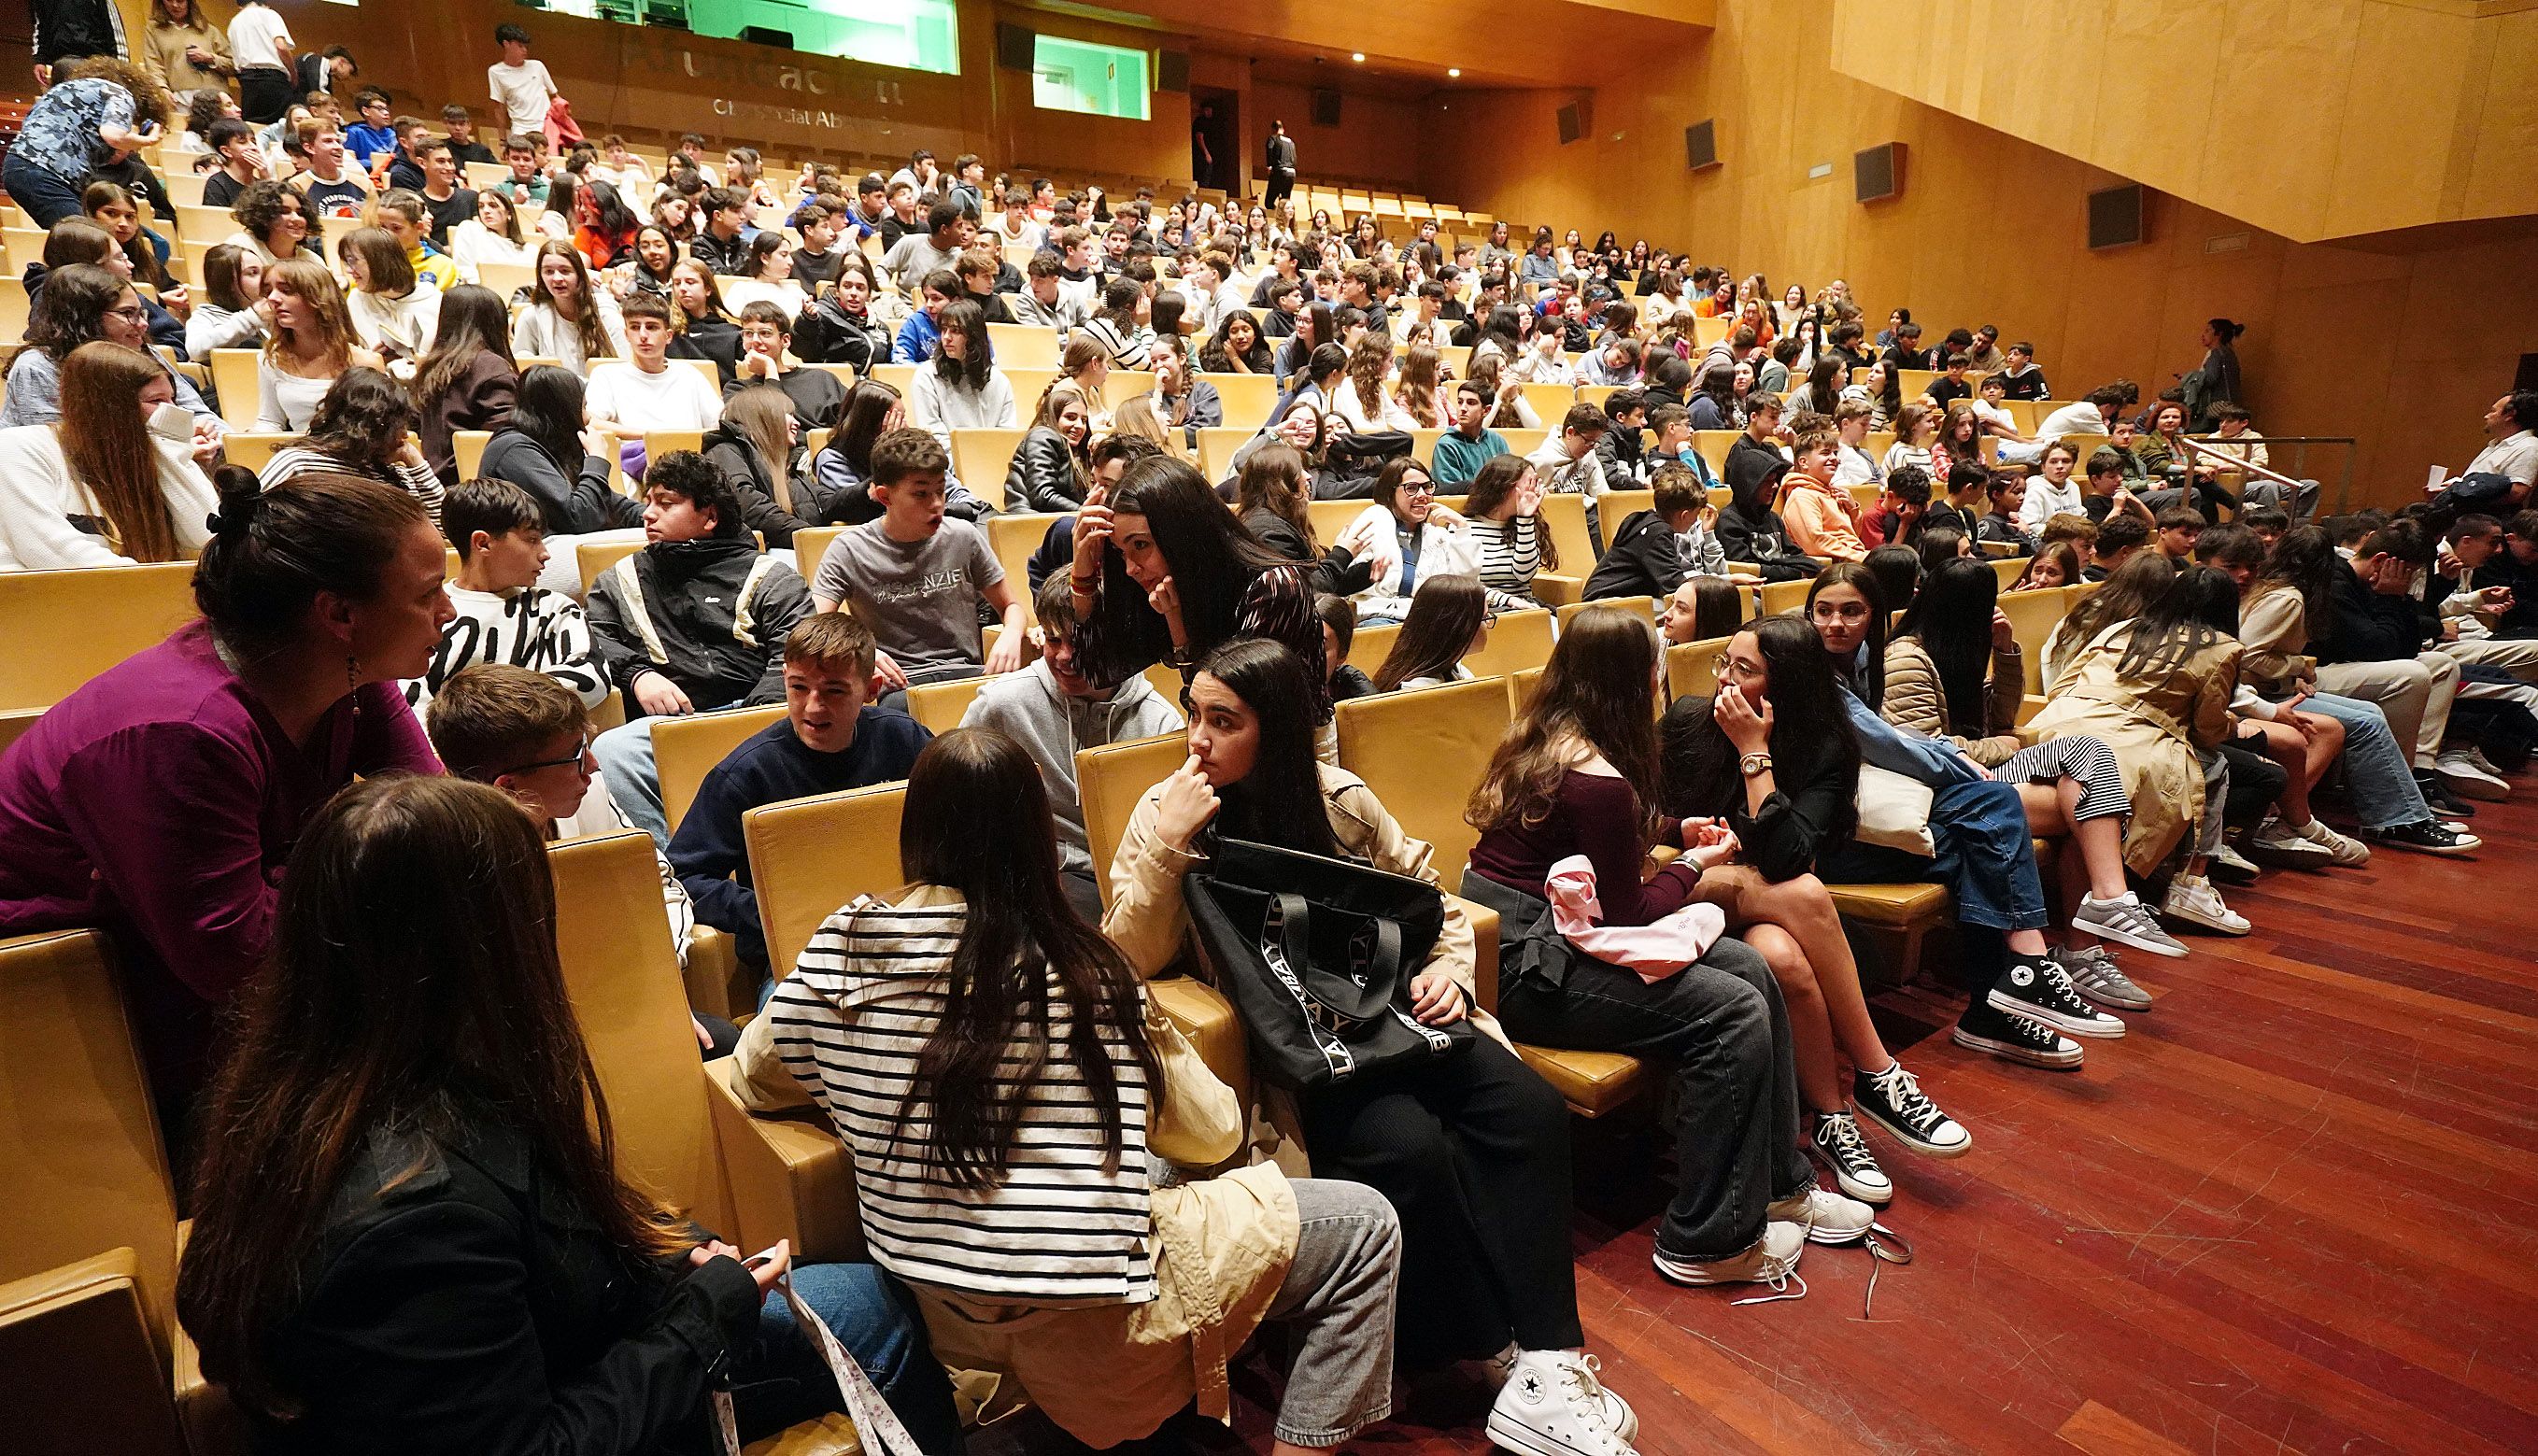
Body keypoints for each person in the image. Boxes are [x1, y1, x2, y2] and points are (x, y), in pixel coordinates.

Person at [175, 772, 962, 1452]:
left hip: (586, 1346)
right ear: (480, 948)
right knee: (882, 1318)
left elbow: (544, 1239)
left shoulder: (300, 1084)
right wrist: (704, 1313)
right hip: (599, 1397)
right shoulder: (412, 1218)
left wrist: (670, 1259)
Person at [732, 726, 1396, 1454]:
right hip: (1096, 1322)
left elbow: (754, 1078)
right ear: (1036, 834)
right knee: (1362, 1226)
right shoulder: (1084, 970)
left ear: (915, 825)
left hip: (935, 1305)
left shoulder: (841, 946)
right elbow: (1214, 1133)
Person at [1102, 638, 1641, 1451]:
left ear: (1276, 730)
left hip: (1398, 1016)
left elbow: (1433, 901)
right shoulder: (1167, 810)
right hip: (1297, 1057)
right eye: (1193, 716)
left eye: (1223, 721)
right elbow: (1126, 957)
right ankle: (1494, 1349)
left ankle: (1550, 1352)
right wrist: (1170, 845)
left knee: (1527, 1105)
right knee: (1404, 1145)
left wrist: (1451, 972)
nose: (1197, 740)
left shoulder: (1338, 800)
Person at [0, 470, 445, 1138]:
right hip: (68, 1003)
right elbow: (237, 962)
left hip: (196, 969)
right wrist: (360, 864)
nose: (452, 610)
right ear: (340, 614)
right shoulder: (182, 730)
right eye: (429, 593)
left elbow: (437, 829)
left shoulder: (351, 675)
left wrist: (319, 876)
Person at [1461, 608, 1866, 1289]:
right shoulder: (1596, 779)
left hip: (1547, 938)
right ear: (1639, 679)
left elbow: (1598, 848)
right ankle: (1707, 1240)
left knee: (1750, 966)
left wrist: (1676, 827)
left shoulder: (1551, 732)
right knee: (1730, 1012)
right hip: (1527, 966)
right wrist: (1696, 865)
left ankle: (1777, 1184)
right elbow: (1629, 910)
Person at [1659, 614, 1976, 1204]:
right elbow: (1645, 822)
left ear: (1786, 686)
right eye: (1724, 662)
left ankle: (1833, 1118)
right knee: (1805, 895)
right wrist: (1696, 828)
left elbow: (1788, 855)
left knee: (1782, 957)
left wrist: (1755, 756)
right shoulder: (1687, 724)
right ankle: (1879, 1073)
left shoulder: (1825, 748)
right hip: (1684, 887)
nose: (1725, 681)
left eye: (1744, 669)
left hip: (1765, 907)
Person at [668, 614, 930, 974]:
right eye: (799, 687)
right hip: (796, 960)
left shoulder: (906, 740)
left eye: (834, 690)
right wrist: (773, 909)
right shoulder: (746, 772)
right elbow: (683, 877)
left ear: (872, 689)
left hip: (909, 939)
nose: (813, 707)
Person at [588, 453, 813, 848]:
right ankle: (673, 869)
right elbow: (593, 636)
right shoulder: (620, 578)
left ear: (709, 517)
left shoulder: (769, 575)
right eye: (649, 501)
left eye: (666, 503)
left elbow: (796, 651)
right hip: (675, 724)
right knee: (613, 749)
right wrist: (638, 675)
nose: (648, 514)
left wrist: (749, 717)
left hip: (759, 715)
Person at [2028, 565, 2250, 928]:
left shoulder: (2123, 627)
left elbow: (2059, 686)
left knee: (2083, 802)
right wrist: (2232, 724)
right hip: (2129, 737)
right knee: (2214, 764)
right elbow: (2208, 729)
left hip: (2053, 726)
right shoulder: (2223, 648)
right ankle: (2191, 884)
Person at [959, 573, 1184, 918]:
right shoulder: (1002, 704)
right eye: (1052, 640)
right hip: (1034, 875)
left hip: (1126, 880)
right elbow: (955, 798)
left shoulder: (1161, 724)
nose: (1064, 657)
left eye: (1079, 644)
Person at [1070, 455, 1331, 750]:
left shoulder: (1274, 589)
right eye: (1120, 551)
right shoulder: (1173, 586)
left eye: (1140, 545)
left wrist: (1177, 626)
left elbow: (1228, 711)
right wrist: (1083, 575)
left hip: (1298, 758)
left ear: (1183, 536)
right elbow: (1095, 673)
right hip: (1225, 751)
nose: (1129, 568)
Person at [806, 429, 1026, 694]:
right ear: (885, 497)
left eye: (941, 491)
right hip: (896, 685)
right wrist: (861, 653)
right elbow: (816, 627)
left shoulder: (963, 536)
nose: (936, 504)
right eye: (921, 494)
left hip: (966, 676)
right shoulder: (849, 549)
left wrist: (1011, 633)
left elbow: (1011, 605)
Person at [0, 340, 217, 572]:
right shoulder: (18, 448)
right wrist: (153, 584)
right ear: (109, 408)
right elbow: (48, 551)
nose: (173, 412)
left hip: (130, 597)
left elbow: (206, 534)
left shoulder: (148, 459)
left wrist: (170, 444)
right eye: (157, 401)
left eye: (173, 400)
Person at [405, 478, 604, 714]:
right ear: (483, 543)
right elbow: (410, 698)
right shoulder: (431, 613)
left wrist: (481, 711)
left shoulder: (555, 608)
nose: (545, 554)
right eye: (531, 539)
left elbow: (591, 678)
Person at [477, 364, 644, 573]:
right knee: (648, 549)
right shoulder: (514, 450)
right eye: (582, 407)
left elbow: (612, 505)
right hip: (529, 558)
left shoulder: (552, 445)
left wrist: (659, 518)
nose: (588, 417)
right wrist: (597, 459)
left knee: (663, 536)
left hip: (560, 549)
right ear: (562, 412)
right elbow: (580, 519)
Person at [255, 367, 447, 527]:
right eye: (396, 426)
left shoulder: (395, 474)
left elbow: (444, 531)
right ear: (369, 427)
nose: (405, 435)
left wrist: (417, 463)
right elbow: (247, 518)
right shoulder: (297, 463)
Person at [4, 58, 170, 230]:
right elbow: (113, 136)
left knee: (85, 239)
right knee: (89, 240)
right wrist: (148, 140)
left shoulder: (62, 90)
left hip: (15, 166)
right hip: (47, 173)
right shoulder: (121, 94)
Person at [255, 257, 380, 431]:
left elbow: (378, 430)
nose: (273, 298)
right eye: (268, 292)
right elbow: (270, 421)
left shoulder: (365, 362)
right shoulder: (270, 358)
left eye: (286, 290)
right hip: (298, 453)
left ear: (318, 298)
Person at [411, 284, 519, 485]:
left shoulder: (431, 368)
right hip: (478, 488)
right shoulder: (492, 367)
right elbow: (507, 442)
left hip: (434, 481)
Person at [584, 290, 723, 441]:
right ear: (626, 335)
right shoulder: (606, 374)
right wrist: (650, 437)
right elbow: (592, 423)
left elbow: (720, 425)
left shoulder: (690, 375)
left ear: (668, 336)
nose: (643, 335)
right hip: (635, 458)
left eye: (651, 327)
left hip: (690, 458)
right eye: (635, 327)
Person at [907, 298, 1018, 453]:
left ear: (973, 337)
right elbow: (931, 433)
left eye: (956, 331)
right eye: (944, 329)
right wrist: (964, 463)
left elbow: (1006, 433)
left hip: (991, 461)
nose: (946, 337)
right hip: (945, 464)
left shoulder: (999, 380)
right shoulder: (926, 375)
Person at [726, 302, 849, 430]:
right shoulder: (737, 390)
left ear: (785, 340)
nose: (755, 341)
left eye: (765, 333)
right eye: (748, 333)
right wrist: (770, 369)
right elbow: (773, 429)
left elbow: (854, 421)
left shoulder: (822, 379)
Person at [512, 239, 628, 375]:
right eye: (549, 272)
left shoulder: (606, 314)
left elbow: (625, 367)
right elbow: (519, 369)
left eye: (565, 271)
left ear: (580, 275)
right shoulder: (531, 317)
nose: (557, 278)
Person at [334, 225, 441, 364]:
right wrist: (373, 359)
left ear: (379, 262)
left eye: (353, 261)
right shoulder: (357, 299)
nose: (349, 270)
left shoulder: (435, 301)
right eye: (347, 262)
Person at [1006, 380, 1097, 513]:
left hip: (1058, 519)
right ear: (1050, 418)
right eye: (1070, 417)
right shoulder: (1043, 435)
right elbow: (1043, 495)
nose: (1079, 425)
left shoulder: (1078, 449)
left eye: (1083, 420)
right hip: (1030, 518)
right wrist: (1084, 512)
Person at [143, 0, 233, 106]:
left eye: (180, 0)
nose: (175, 5)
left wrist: (209, 58)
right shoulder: (155, 30)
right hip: (179, 100)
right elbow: (153, 65)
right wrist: (162, 88)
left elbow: (233, 65)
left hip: (216, 97)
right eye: (169, 0)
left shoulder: (208, 29)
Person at [487, 22, 559, 143]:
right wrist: (502, 140)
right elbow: (499, 108)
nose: (524, 50)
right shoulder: (495, 72)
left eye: (525, 46)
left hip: (546, 128)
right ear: (506, 44)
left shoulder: (537, 66)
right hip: (521, 131)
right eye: (520, 46)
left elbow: (555, 97)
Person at [1432, 378, 1510, 488]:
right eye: (1460, 402)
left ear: (1486, 410)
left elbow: (1509, 480)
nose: (1463, 408)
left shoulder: (1497, 441)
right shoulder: (1446, 444)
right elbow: (1451, 491)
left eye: (1471, 403)